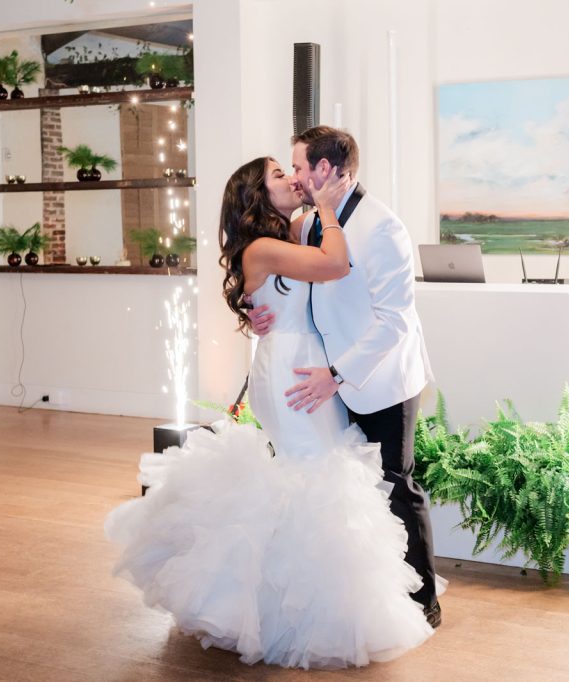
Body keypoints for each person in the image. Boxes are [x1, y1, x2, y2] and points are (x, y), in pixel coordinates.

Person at [104, 156, 436, 669]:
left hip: (301, 361)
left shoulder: (291, 232)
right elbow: (334, 266)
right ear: (258, 197)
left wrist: (314, 215)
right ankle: (312, 610)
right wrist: (326, 208)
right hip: (293, 369)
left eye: (293, 169)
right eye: (280, 175)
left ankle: (301, 593)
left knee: (319, 474)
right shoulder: (263, 245)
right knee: (320, 473)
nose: (293, 179)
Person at [248, 126, 440, 626]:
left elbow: (394, 320)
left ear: (325, 170)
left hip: (380, 379)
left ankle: (422, 600)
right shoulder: (312, 222)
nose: (294, 176)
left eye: (298, 166)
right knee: (350, 489)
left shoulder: (382, 227)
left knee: (395, 485)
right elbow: (283, 282)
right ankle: (368, 596)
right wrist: (255, 309)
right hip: (324, 379)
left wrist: (337, 373)